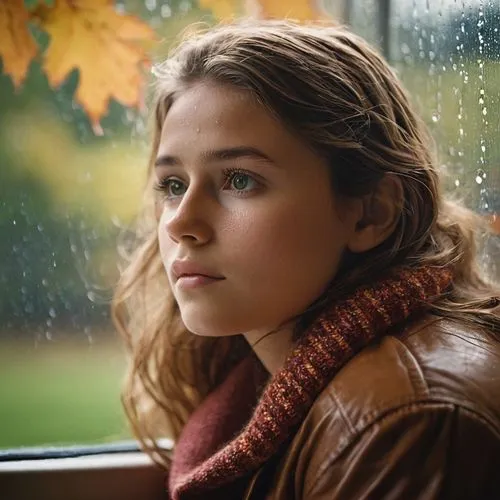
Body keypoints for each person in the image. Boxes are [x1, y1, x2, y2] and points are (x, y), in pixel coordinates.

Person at [112, 19, 500, 499]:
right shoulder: (262, 384)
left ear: (369, 213)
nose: (178, 223)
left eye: (239, 180)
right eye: (173, 185)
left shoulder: (412, 423)